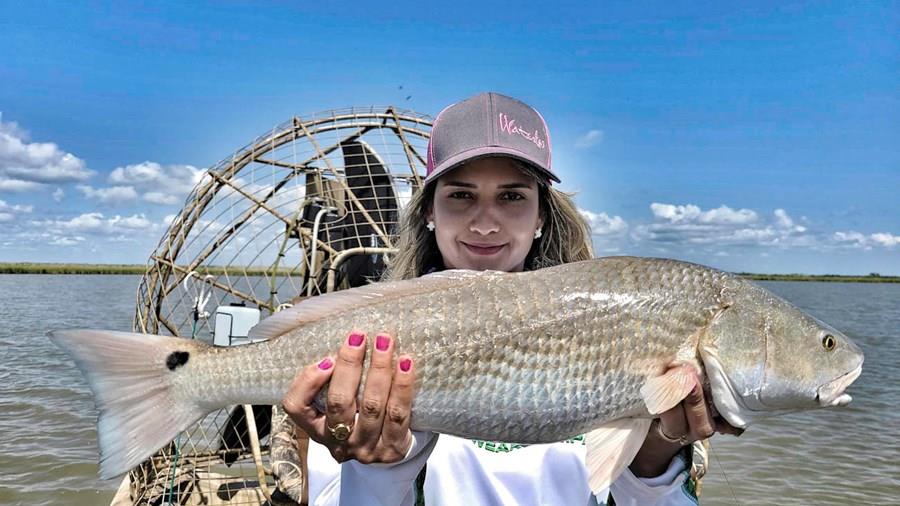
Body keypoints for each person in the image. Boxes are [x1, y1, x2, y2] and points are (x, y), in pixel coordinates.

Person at [282, 92, 737, 505]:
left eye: (512, 197)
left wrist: (652, 460)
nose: (485, 223)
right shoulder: (363, 342)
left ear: (542, 214)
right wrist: (378, 463)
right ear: (428, 212)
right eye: (460, 195)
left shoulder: (622, 333)